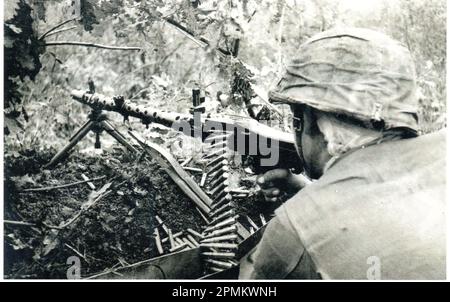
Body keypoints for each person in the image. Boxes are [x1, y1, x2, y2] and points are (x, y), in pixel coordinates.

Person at [239, 27, 446, 279]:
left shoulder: (294, 228)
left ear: (316, 122)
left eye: (296, 119)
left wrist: (307, 214)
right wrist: (314, 193)